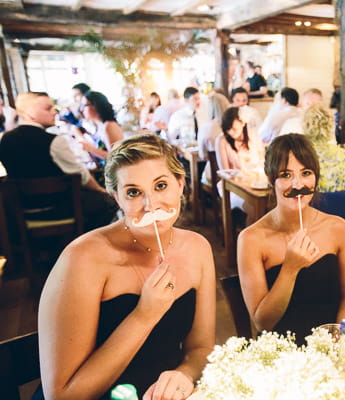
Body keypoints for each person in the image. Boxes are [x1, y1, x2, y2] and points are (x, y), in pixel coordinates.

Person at [38, 134, 216, 400]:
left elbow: (201, 348)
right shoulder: (82, 258)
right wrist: (144, 315)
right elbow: (62, 395)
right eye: (133, 192)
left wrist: (185, 374)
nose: (150, 204)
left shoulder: (198, 247)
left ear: (180, 184)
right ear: (117, 197)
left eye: (161, 185)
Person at [237, 134, 345, 343]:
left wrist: (340, 338)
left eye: (306, 173)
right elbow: (262, 322)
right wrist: (290, 268)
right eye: (285, 174)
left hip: (330, 347)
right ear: (270, 179)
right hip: (281, 354)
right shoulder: (251, 239)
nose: (297, 183)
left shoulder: (338, 228)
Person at [0, 92, 117, 231]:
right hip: (57, 209)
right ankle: (79, 241)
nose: (54, 112)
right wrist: (101, 191)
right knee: (110, 202)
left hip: (20, 211)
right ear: (31, 114)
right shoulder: (54, 141)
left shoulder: (4, 139)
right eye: (48, 108)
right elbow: (82, 176)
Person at [215, 107, 264, 211]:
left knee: (267, 203)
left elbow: (262, 160)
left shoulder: (253, 135)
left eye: (234, 129)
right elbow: (225, 172)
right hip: (232, 186)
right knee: (253, 207)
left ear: (243, 123)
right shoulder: (222, 140)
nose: (231, 133)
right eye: (228, 129)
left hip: (254, 182)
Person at [302, 103, 345, 192]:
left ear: (306, 125)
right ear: (331, 125)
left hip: (313, 204)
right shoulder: (341, 154)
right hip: (339, 204)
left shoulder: (303, 154)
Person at [79, 91, 124, 160]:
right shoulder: (100, 125)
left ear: (95, 106)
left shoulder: (109, 126)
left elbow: (116, 157)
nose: (81, 109)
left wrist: (91, 149)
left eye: (85, 105)